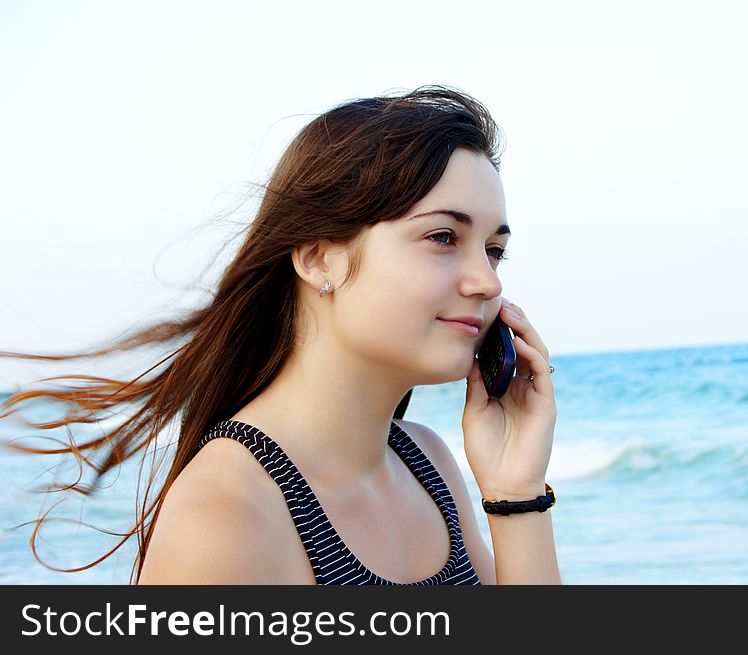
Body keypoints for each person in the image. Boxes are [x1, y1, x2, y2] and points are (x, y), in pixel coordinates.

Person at [1, 85, 560, 585]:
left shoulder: (427, 462)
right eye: (443, 237)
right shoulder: (228, 515)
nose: (486, 281)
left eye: (494, 250)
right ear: (320, 259)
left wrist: (516, 492)